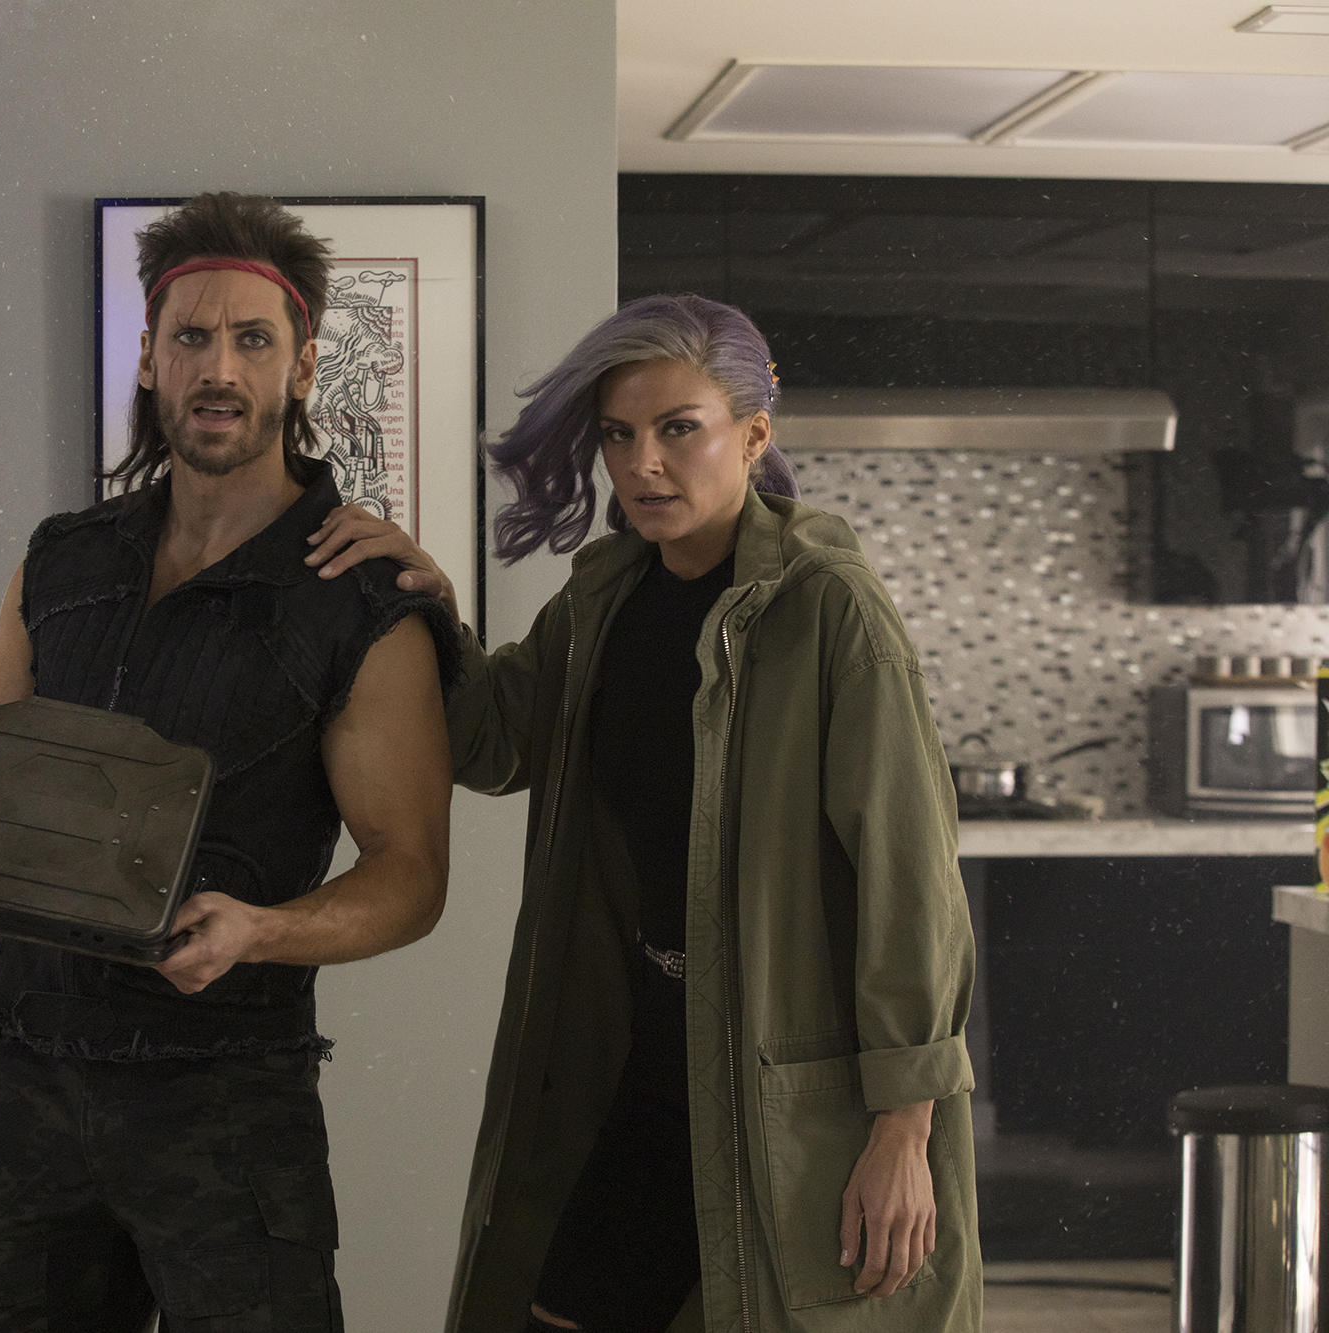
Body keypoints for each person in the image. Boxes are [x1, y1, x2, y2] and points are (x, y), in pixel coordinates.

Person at [307, 293, 981, 1333]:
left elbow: (911, 883)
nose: (643, 465)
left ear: (752, 436)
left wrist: (904, 1130)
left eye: (678, 429)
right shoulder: (605, 597)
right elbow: (494, 741)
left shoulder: (826, 610)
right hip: (645, 1053)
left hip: (787, 1079)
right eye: (618, 435)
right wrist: (428, 608)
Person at [0, 192, 458, 1331]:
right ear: (149, 358)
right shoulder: (62, 561)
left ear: (302, 367)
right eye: (192, 336)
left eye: (252, 339)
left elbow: (412, 874)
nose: (219, 367)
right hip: (29, 1072)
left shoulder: (361, 601)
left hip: (224, 1097)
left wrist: (259, 931)